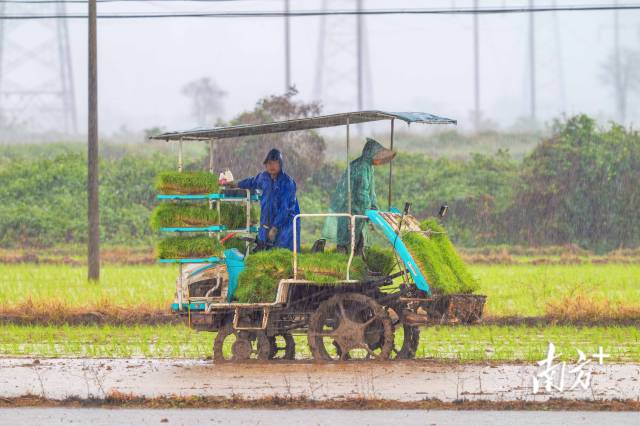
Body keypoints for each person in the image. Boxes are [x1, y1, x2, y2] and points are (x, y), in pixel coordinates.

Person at [323, 138, 396, 254]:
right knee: (347, 242)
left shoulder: (369, 167)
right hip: (350, 209)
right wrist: (368, 211)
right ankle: (343, 267)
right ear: (371, 154)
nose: (380, 159)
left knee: (359, 242)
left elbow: (371, 192)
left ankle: (357, 266)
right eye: (378, 155)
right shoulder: (360, 167)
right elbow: (362, 193)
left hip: (360, 211)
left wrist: (374, 209)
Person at [235, 148, 300, 251]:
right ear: (265, 165)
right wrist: (236, 184)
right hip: (266, 225)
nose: (272, 166)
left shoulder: (288, 183)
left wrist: (275, 227)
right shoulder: (264, 177)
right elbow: (252, 182)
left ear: (280, 164)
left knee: (283, 256)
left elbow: (285, 208)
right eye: (269, 163)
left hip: (285, 228)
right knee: (264, 255)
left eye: (275, 163)